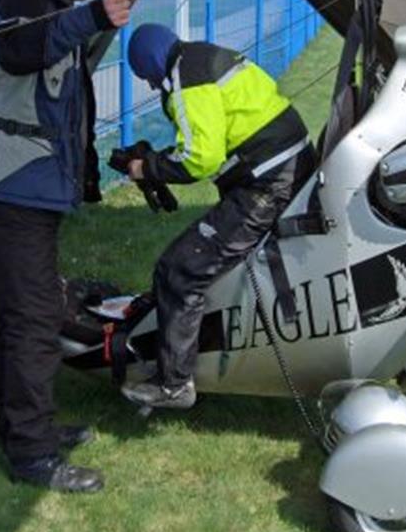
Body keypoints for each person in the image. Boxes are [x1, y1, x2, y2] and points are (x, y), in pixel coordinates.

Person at [0, 0, 130, 493]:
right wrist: (95, 16)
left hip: (26, 181)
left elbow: (65, 95)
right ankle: (32, 453)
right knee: (32, 316)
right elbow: (21, 50)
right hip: (7, 182)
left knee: (18, 310)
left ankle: (25, 427)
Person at [117, 23, 315, 409]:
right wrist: (159, 161)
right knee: (214, 262)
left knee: (180, 269)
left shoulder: (186, 78)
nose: (151, 86)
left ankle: (174, 384)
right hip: (289, 166)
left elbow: (200, 158)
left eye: (146, 77)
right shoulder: (202, 56)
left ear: (150, 64)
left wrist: (146, 168)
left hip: (268, 182)